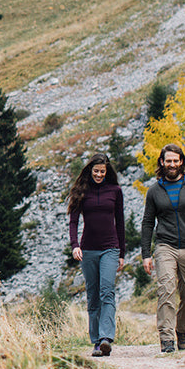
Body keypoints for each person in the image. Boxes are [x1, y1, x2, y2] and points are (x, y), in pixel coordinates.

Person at [141, 143, 185, 353]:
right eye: (168, 160)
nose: (172, 164)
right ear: (162, 162)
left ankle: (181, 329)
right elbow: (147, 223)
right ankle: (167, 338)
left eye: (176, 161)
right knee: (166, 290)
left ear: (182, 162)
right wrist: (146, 254)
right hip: (165, 246)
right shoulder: (154, 191)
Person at [68, 153, 125, 357]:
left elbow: (120, 222)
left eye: (103, 171)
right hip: (88, 250)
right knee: (93, 296)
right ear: (90, 171)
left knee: (107, 291)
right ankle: (95, 342)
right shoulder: (82, 191)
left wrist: (122, 253)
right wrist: (75, 245)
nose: (100, 175)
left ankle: (105, 338)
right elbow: (73, 221)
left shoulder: (115, 191)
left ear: (107, 171)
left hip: (110, 248)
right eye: (96, 171)